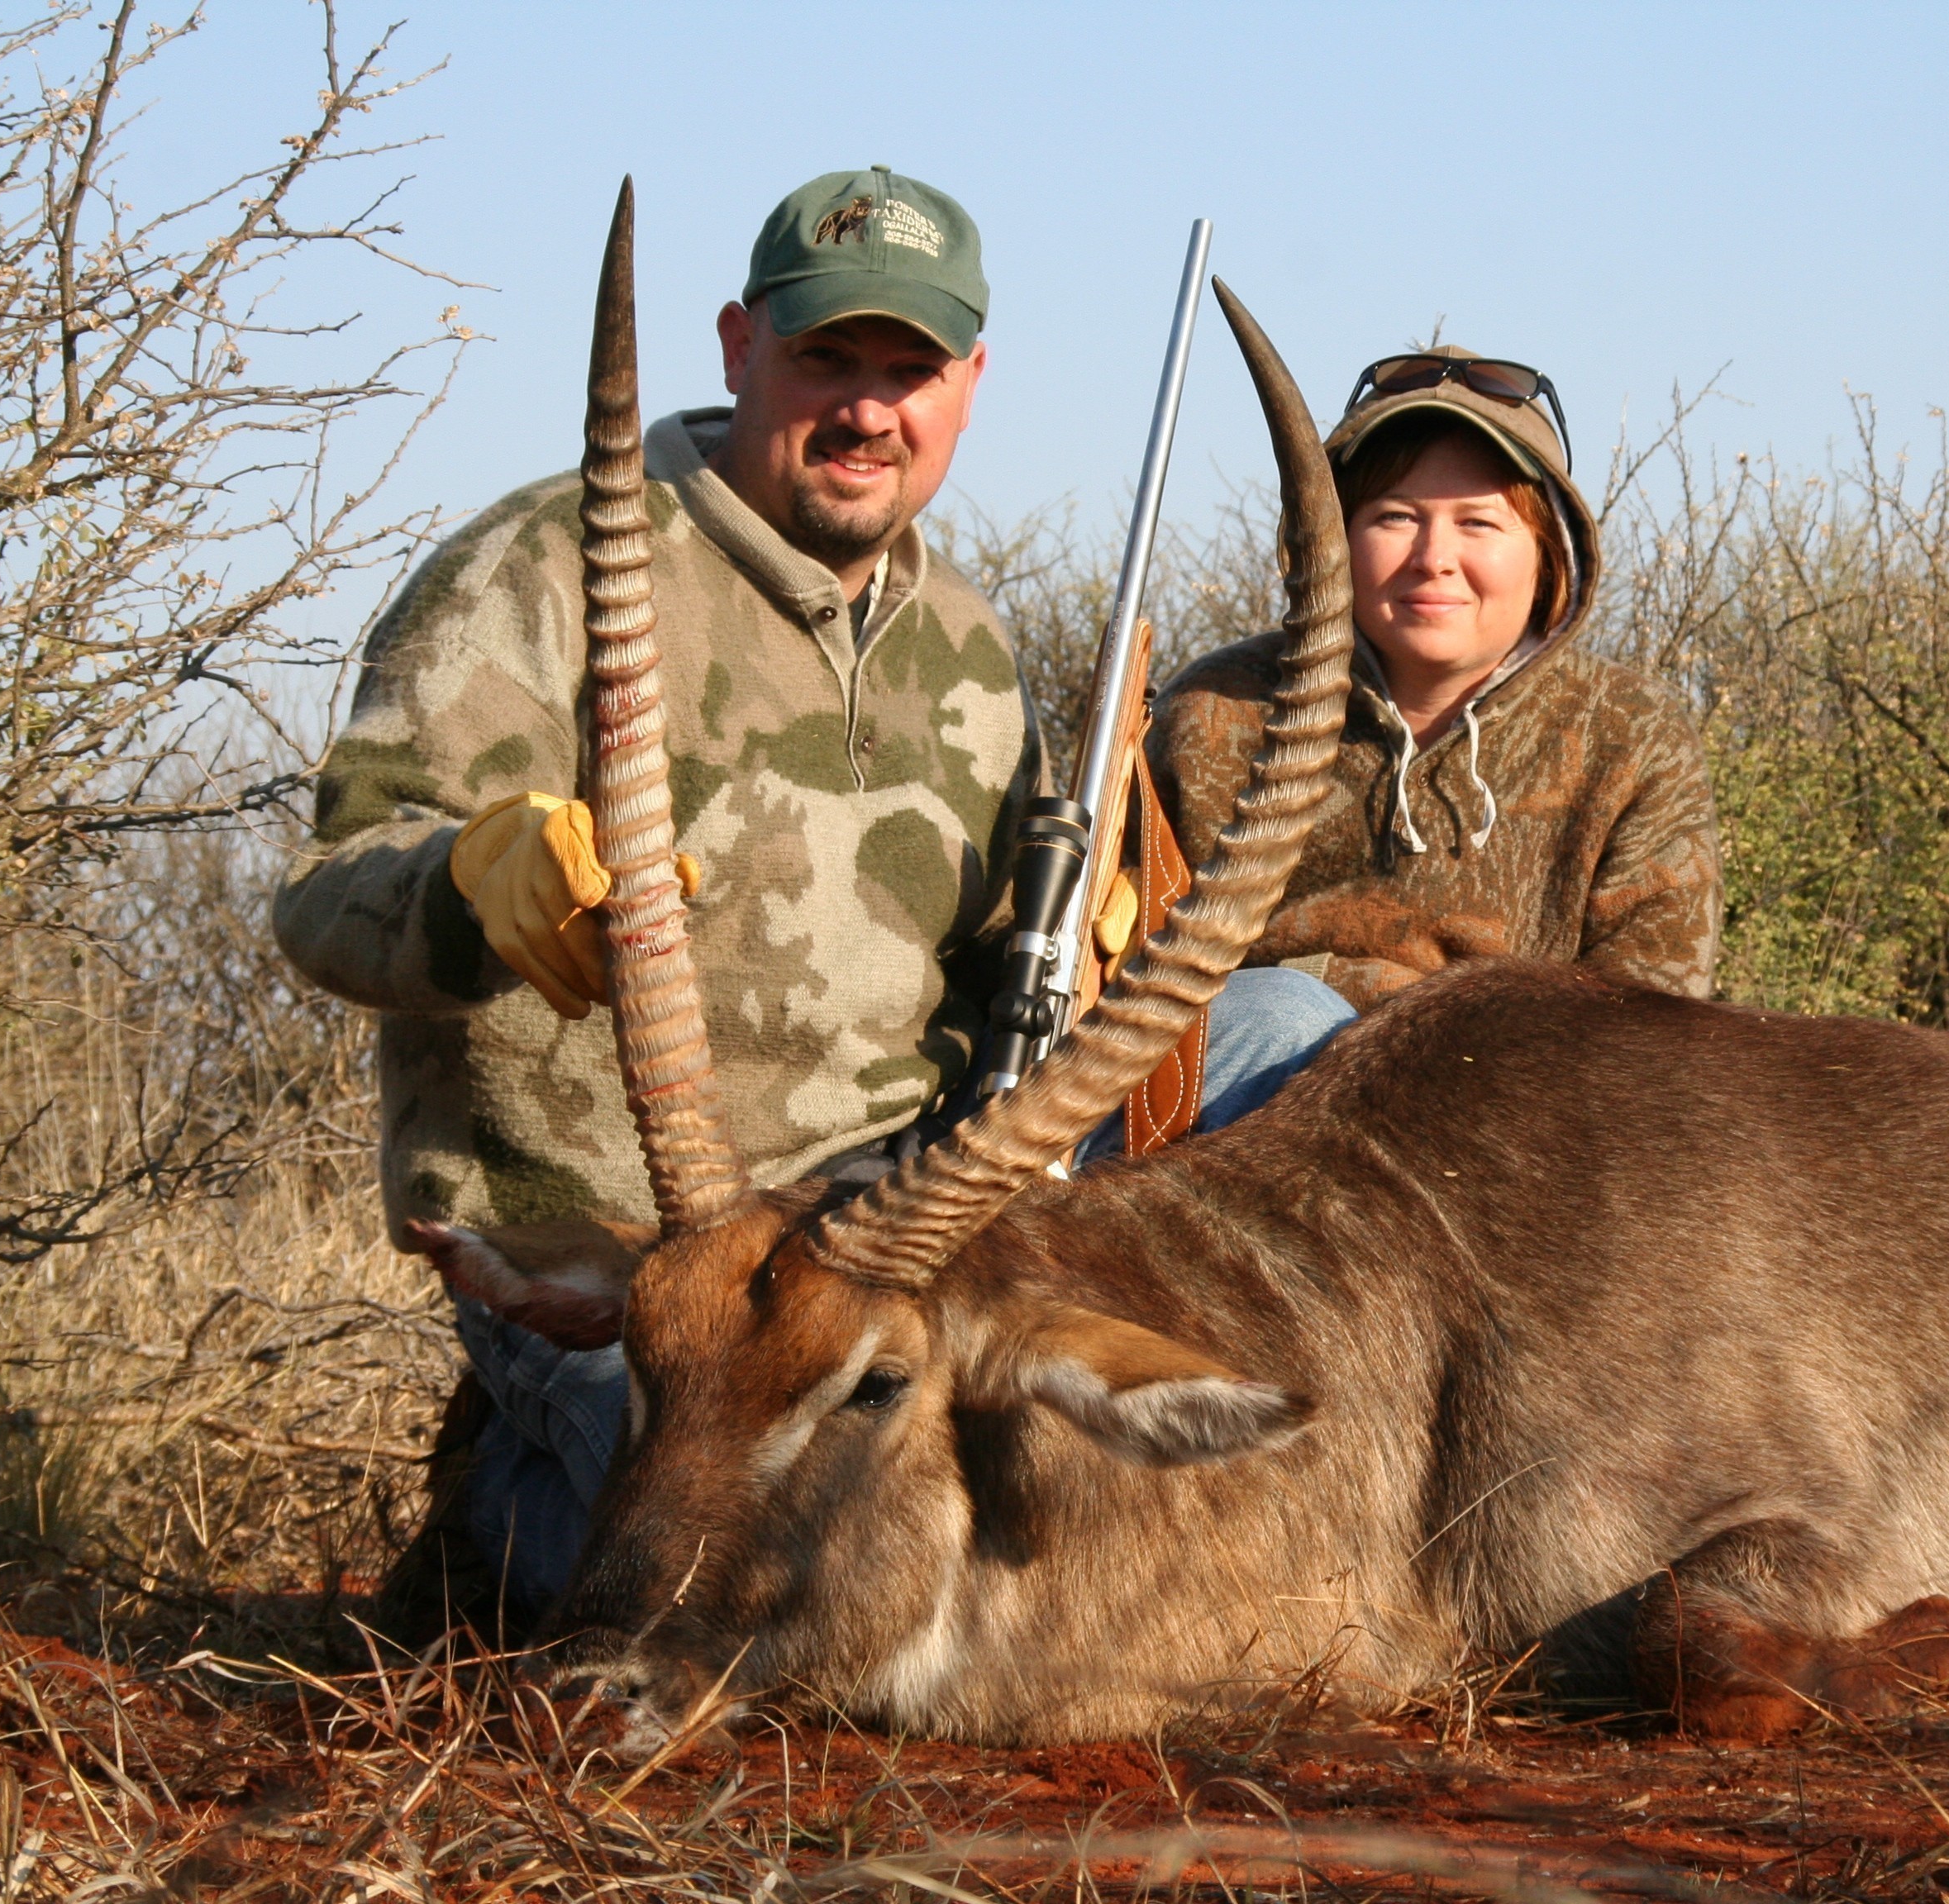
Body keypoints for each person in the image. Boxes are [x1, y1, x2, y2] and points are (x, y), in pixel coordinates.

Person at [274, 169, 1349, 1630]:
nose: (866, 409)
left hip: (886, 1222)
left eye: (909, 371)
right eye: (824, 358)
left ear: (970, 384)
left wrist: (1097, 963)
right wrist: (470, 881)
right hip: (642, 1254)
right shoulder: (541, 567)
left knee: (1289, 1018)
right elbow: (324, 899)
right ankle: (513, 1499)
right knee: (716, 1581)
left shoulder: (962, 639)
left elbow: (987, 975)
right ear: (736, 345)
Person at [1149, 348, 1720, 1012]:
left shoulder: (1632, 732)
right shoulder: (1213, 708)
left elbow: (1648, 1019)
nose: (1433, 560)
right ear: (1330, 540)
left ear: (1549, 553)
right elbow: (1132, 960)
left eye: (1478, 523)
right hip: (1256, 1091)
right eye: (1395, 517)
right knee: (1280, 1014)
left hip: (1515, 1098)